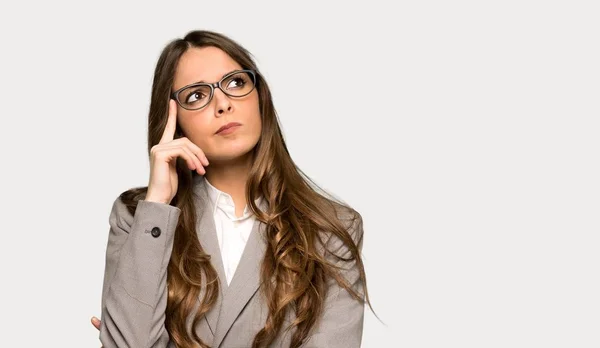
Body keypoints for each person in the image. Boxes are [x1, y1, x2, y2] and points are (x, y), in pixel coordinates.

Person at [92, 29, 372, 348]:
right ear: (174, 119)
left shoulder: (331, 230)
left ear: (259, 96)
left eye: (236, 82)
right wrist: (158, 202)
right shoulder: (138, 216)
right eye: (196, 95)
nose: (222, 104)